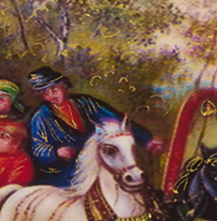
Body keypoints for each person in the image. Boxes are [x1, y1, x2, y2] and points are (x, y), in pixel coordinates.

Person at [26, 67, 162, 187]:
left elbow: (117, 120)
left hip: (96, 163)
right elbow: (37, 149)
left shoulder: (86, 103)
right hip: (64, 173)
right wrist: (56, 153)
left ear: (64, 86)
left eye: (54, 89)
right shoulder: (41, 117)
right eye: (45, 93)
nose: (51, 95)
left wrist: (147, 139)